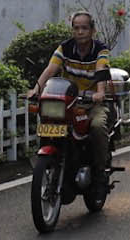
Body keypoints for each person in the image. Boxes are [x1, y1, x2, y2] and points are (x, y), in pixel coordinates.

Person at [30, 10, 114, 182]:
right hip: (69, 103)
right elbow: (50, 69)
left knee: (97, 126)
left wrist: (99, 93)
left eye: (84, 28)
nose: (80, 32)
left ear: (92, 30)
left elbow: (101, 69)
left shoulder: (100, 50)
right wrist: (36, 88)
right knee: (49, 121)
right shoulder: (65, 47)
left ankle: (99, 172)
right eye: (76, 28)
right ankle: (53, 161)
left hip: (92, 104)